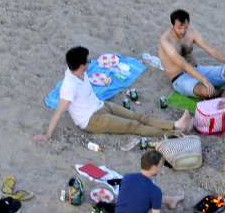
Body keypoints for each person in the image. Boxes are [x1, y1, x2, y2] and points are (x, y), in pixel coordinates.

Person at [34, 46, 192, 143]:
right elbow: (59, 112)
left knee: (138, 117)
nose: (91, 62)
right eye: (88, 61)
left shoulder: (77, 71)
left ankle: (175, 124)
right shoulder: (69, 85)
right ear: (81, 66)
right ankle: (175, 132)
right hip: (91, 120)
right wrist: (47, 135)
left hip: (101, 105)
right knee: (134, 126)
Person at [159, 9, 225, 100]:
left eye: (185, 27)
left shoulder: (191, 33)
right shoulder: (166, 41)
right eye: (179, 28)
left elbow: (211, 50)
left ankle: (223, 98)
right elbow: (183, 64)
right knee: (207, 92)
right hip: (179, 77)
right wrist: (205, 80)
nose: (183, 31)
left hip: (196, 69)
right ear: (172, 25)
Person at [113, 149, 189, 213]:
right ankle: (171, 202)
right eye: (160, 165)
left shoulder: (127, 177)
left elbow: (129, 197)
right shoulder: (155, 191)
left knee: (147, 195)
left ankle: (171, 200)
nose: (161, 167)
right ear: (154, 168)